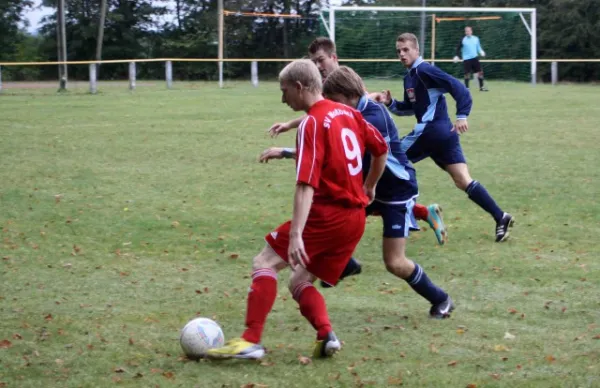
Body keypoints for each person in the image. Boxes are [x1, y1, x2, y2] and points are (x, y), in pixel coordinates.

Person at [206, 59, 388, 360]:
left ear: (300, 87)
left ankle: (250, 340)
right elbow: (381, 148)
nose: (283, 98)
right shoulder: (349, 113)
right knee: (299, 281)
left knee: (264, 261)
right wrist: (370, 186)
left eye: (284, 91)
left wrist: (296, 236)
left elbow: (305, 185)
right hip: (354, 219)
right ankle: (326, 335)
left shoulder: (312, 122)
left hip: (327, 216)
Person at [261, 66, 454, 318]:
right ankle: (343, 265)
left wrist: (288, 151)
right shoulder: (353, 110)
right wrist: (290, 128)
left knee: (394, 262)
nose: (332, 106)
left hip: (396, 191)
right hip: (368, 188)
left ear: (347, 96)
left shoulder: (373, 116)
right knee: (338, 224)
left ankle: (441, 298)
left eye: (335, 101)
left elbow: (332, 150)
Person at [371, 33, 514, 242]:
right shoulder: (410, 76)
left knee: (389, 161)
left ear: (417, 51)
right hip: (444, 135)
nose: (402, 54)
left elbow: (457, 87)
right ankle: (501, 217)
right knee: (463, 180)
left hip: (431, 131)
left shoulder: (424, 70)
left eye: (406, 50)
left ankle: (410, 216)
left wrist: (462, 114)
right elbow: (410, 109)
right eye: (398, 51)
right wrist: (390, 102)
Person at [453, 26, 489, 92]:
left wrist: (481, 51)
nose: (467, 32)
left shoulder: (476, 39)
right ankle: (466, 88)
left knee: (480, 73)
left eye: (469, 31)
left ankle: (481, 87)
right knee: (467, 74)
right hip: (467, 59)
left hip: (475, 58)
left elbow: (478, 47)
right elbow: (458, 48)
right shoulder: (463, 39)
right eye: (466, 31)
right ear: (465, 32)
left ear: (471, 31)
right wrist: (457, 56)